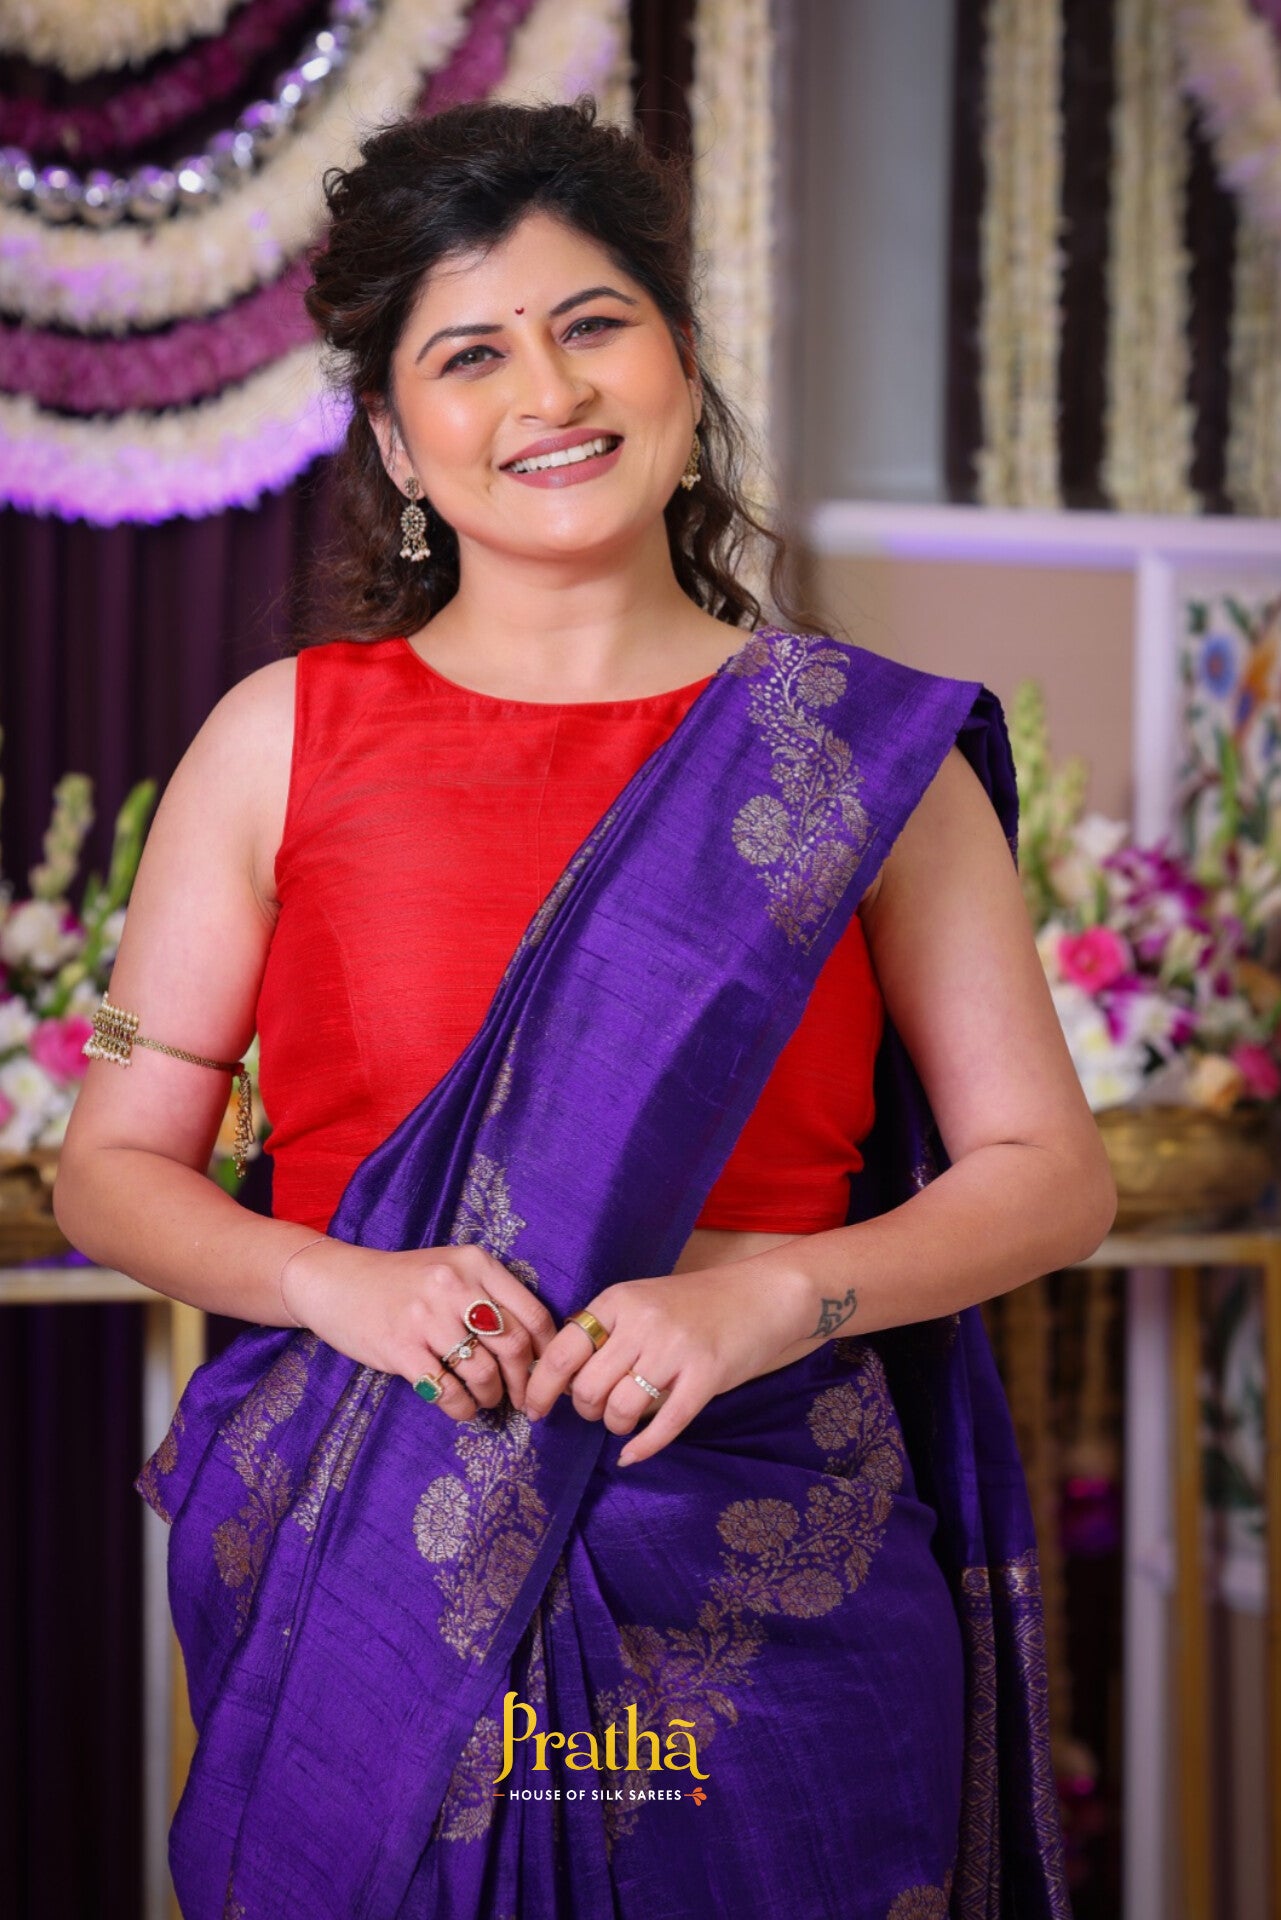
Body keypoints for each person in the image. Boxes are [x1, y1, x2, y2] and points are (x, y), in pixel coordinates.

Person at [53, 98, 1116, 1920]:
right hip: (371, 1537)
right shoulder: (280, 740)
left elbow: (1048, 1172)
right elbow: (111, 1172)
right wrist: (335, 1282)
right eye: (470, 353)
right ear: (397, 439)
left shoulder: (856, 754)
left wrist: (772, 1297)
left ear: (681, 366)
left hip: (768, 1540)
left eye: (592, 324)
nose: (547, 390)